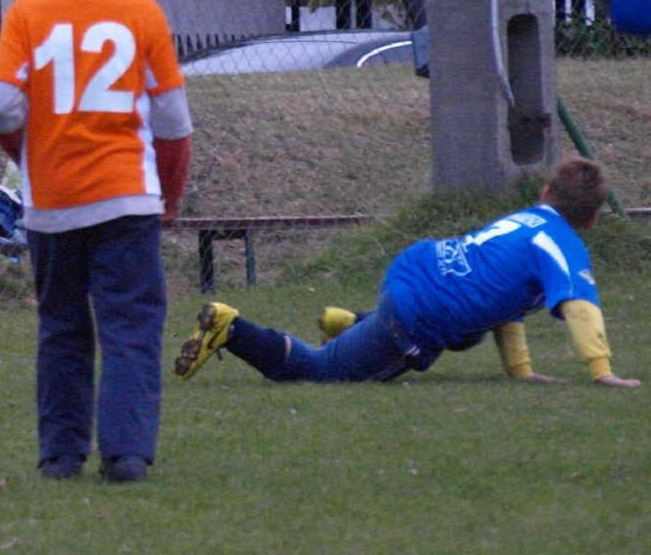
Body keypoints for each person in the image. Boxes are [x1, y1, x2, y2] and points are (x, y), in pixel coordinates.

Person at [0, 0, 193, 484]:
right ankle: (126, 454)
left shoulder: (27, 15)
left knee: (62, 327)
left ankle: (60, 453)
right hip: (127, 195)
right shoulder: (142, 14)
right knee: (130, 326)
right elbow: (174, 123)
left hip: (53, 202)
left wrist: (27, 155)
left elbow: (0, 107)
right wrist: (169, 196)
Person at [175, 157, 641, 388]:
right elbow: (580, 307)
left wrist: (520, 371)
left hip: (416, 267)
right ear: (594, 218)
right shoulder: (564, 245)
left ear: (544, 191)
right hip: (418, 311)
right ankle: (231, 328)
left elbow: (501, 300)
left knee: (468, 329)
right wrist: (602, 373)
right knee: (319, 371)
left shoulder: (524, 220)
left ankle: (356, 323)